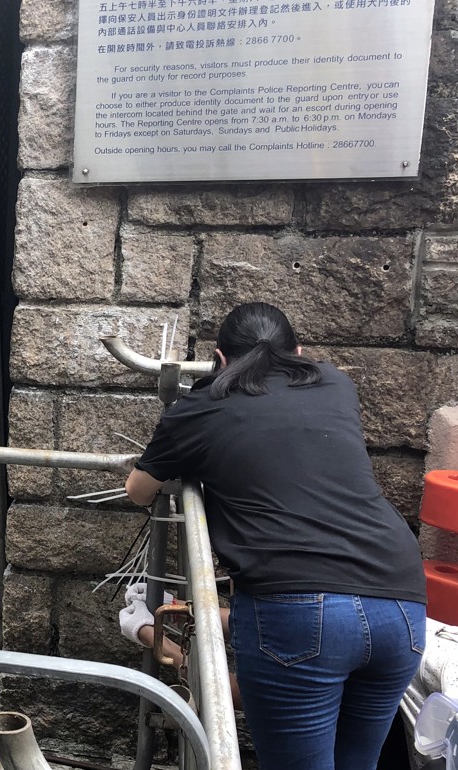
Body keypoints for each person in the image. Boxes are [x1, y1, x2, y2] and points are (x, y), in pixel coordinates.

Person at [124, 302, 427, 770]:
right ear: (299, 352)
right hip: (402, 604)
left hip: (297, 607)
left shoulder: (201, 407)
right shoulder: (335, 385)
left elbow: (139, 491)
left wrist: (151, 636)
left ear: (220, 360)